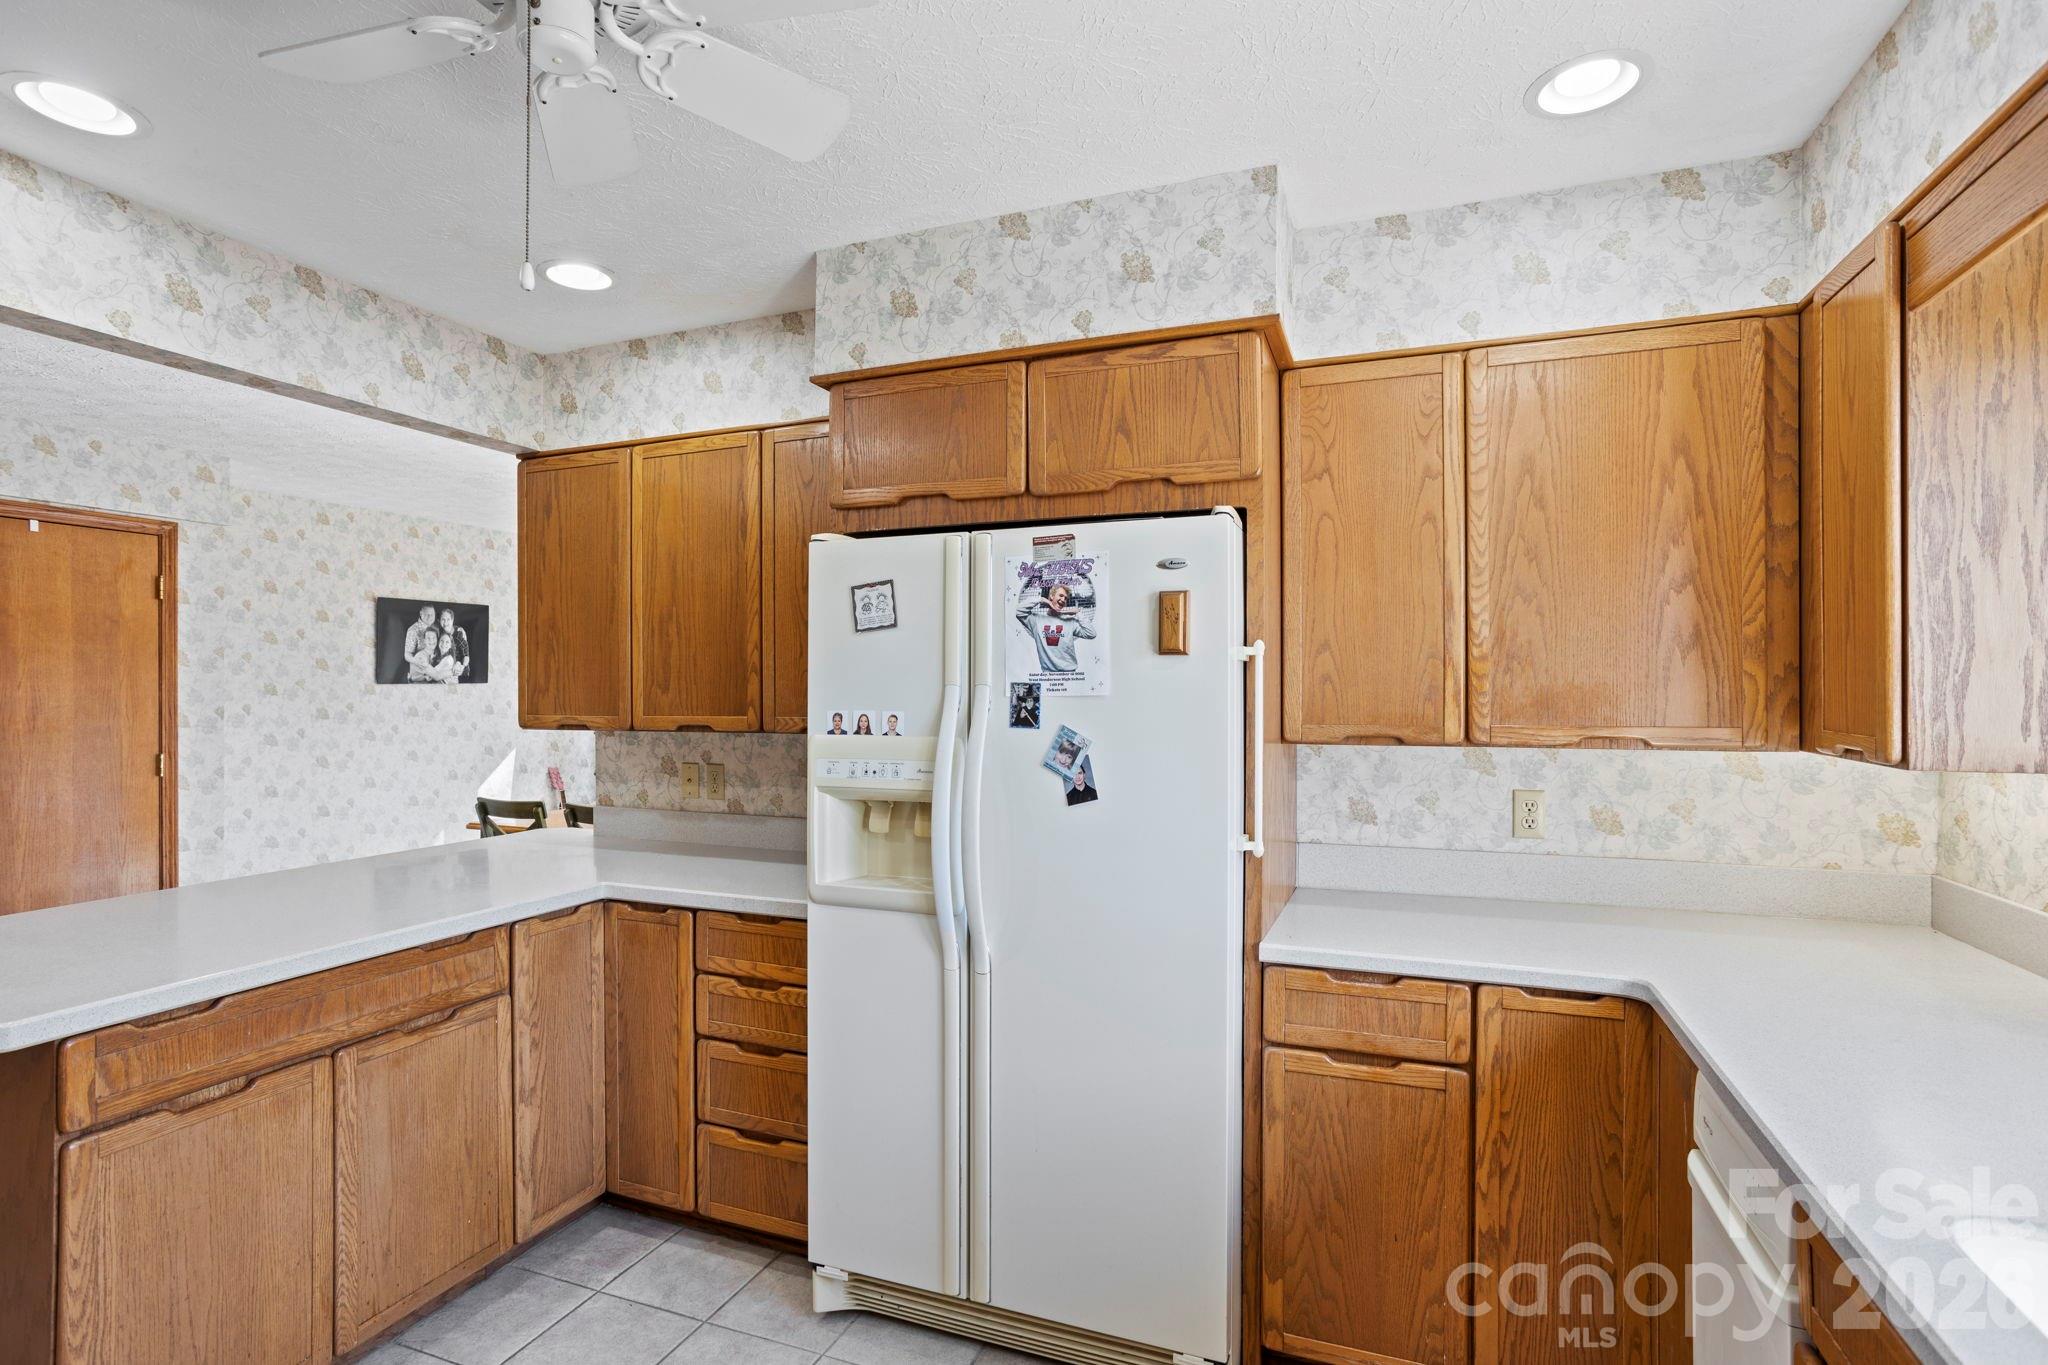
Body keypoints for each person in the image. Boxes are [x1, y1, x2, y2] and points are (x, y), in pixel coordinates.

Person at [1016, 580, 1095, 674]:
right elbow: (1019, 611)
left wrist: (1078, 613)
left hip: (1070, 673)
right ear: (1052, 596)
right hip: (1047, 674)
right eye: (1061, 595)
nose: (1063, 600)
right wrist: (1042, 599)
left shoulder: (1070, 621)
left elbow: (1091, 634)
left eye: (1065, 598)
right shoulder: (1036, 620)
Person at [403, 604, 439, 682]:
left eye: (432, 614)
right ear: (421, 614)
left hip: (434, 671)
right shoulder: (413, 630)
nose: (430, 617)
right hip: (420, 674)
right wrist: (417, 662)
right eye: (427, 614)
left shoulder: (436, 627)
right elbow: (407, 655)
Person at [436, 608, 469, 683]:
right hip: (445, 668)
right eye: (443, 619)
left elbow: (466, 655)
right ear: (439, 620)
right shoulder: (439, 632)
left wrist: (461, 666)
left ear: (452, 620)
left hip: (459, 670)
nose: (445, 622)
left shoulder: (459, 633)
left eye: (448, 619)